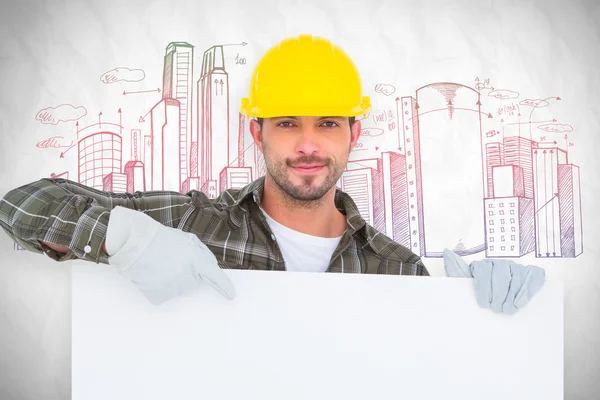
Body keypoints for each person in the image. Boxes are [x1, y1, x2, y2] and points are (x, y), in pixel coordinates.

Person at [0, 35, 545, 312]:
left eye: (328, 123)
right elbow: (21, 204)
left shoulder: (396, 269)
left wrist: (476, 316)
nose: (307, 145)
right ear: (256, 132)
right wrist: (120, 236)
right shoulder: (192, 224)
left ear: (354, 134)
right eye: (287, 123)